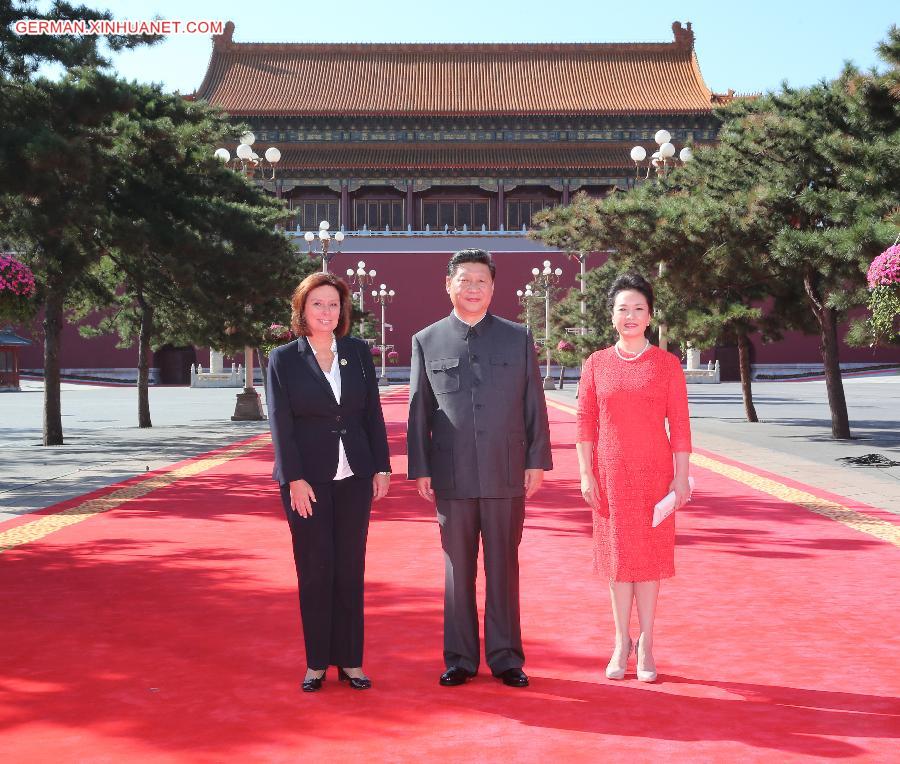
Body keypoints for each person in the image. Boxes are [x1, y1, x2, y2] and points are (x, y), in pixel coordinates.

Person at [407, 248, 553, 688]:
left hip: (506, 470)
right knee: (458, 569)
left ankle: (507, 656)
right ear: (448, 284)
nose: (474, 288)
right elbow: (419, 410)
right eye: (465, 280)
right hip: (452, 474)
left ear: (493, 287)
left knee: (504, 566)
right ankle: (461, 658)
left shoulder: (517, 337)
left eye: (482, 281)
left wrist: (536, 460)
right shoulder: (426, 340)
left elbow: (533, 403)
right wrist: (421, 467)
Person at [267, 272, 391, 693]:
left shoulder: (356, 352)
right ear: (302, 310)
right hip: (308, 482)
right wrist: (294, 478)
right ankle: (317, 661)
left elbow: (371, 412)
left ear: (343, 312)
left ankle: (351, 661)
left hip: (354, 474)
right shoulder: (284, 358)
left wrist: (381, 466)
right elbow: (280, 423)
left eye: (334, 305)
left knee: (349, 569)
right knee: (316, 569)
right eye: (318, 304)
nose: (326, 312)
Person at [575, 272, 692, 683]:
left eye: (638, 309)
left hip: (655, 476)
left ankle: (647, 643)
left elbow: (679, 424)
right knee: (618, 561)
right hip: (610, 476)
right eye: (622, 309)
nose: (630, 316)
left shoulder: (666, 365)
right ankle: (620, 641)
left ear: (650, 316)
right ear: (611, 316)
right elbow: (585, 423)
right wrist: (586, 474)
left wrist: (682, 479)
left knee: (649, 561)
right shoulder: (596, 364)